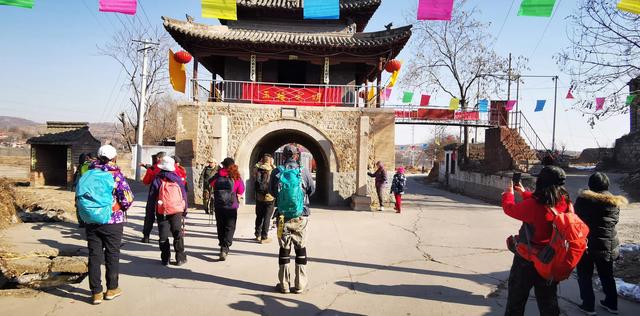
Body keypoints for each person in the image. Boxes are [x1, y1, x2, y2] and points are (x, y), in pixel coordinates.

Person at [502, 166, 571, 315]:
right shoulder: (564, 201)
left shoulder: (534, 205)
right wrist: (524, 193)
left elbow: (510, 209)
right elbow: (544, 204)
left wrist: (509, 194)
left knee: (516, 301)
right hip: (550, 259)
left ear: (541, 182)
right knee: (548, 303)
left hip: (526, 261)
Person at [77, 145, 134, 305]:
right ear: (114, 158)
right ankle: (112, 289)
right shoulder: (116, 176)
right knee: (112, 254)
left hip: (91, 220)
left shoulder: (87, 173)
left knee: (94, 255)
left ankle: (96, 293)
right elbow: (127, 199)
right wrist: (118, 206)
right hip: (112, 221)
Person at [574, 172, 626, 315]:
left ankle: (588, 305)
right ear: (607, 184)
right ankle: (611, 304)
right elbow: (614, 221)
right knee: (607, 275)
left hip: (587, 244)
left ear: (591, 185)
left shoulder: (583, 200)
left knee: (585, 275)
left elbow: (575, 219)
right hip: (607, 244)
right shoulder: (614, 202)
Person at [269, 145, 315, 294]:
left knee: (284, 248)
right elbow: (311, 190)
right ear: (296, 156)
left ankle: (284, 284)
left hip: (282, 216)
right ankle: (300, 284)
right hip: (300, 215)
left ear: (283, 157)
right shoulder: (304, 172)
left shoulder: (277, 172)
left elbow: (271, 191)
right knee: (300, 248)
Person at [148, 156, 188, 266]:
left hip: (162, 210)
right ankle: (180, 257)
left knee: (163, 235)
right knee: (177, 233)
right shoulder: (177, 178)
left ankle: (165, 258)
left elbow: (151, 198)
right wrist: (184, 210)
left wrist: (151, 212)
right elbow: (184, 195)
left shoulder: (157, 179)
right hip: (176, 210)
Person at [210, 157, 245, 261]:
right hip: (231, 205)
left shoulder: (218, 175)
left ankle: (222, 246)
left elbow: (210, 183)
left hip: (219, 205)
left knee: (220, 225)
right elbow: (241, 189)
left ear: (223, 165)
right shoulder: (235, 176)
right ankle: (225, 247)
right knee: (230, 227)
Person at [141, 151, 166, 243]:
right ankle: (162, 238)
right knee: (162, 217)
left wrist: (149, 170)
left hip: (153, 195)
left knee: (149, 216)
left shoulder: (154, 168)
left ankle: (146, 236)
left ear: (158, 158)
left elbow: (146, 181)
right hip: (165, 196)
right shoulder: (173, 168)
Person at [254, 153, 276, 243]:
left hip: (259, 197)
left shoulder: (257, 169)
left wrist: (259, 163)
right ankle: (264, 237)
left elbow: (254, 174)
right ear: (270, 160)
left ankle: (257, 234)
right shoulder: (273, 170)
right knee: (267, 217)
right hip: (269, 197)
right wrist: (272, 165)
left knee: (259, 216)